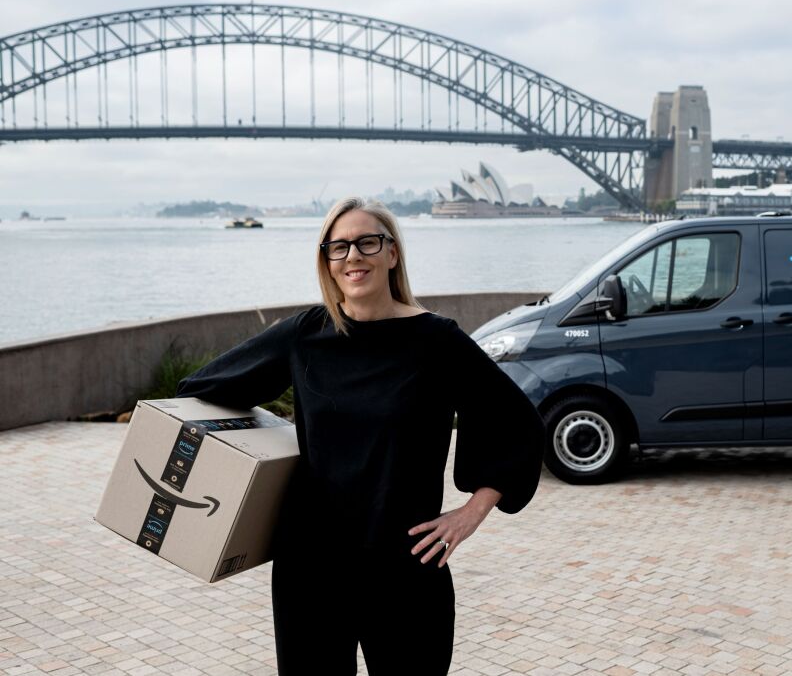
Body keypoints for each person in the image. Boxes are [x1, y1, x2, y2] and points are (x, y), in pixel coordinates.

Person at [175, 196, 544, 675]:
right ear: (326, 262)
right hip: (311, 568)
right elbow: (201, 390)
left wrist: (474, 510)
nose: (353, 256)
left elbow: (516, 420)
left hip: (407, 566)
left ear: (392, 253)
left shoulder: (437, 340)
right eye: (339, 247)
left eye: (367, 242)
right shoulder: (305, 335)